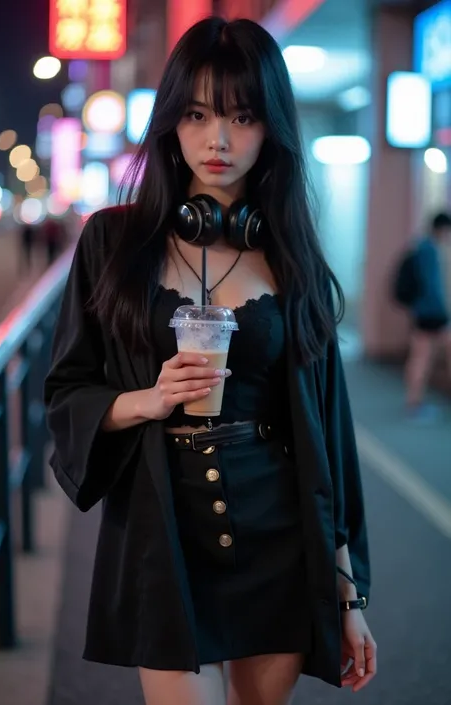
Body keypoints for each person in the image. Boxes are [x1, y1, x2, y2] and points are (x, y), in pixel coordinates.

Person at [44, 17, 376, 705]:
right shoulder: (114, 243)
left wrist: (348, 595)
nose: (217, 140)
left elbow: (329, 437)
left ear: (272, 127)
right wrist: (147, 398)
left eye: (242, 116)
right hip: (163, 534)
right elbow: (66, 388)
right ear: (171, 120)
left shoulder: (293, 259)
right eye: (196, 114)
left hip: (277, 538)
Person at [404, 211, 451, 421]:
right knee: (422, 358)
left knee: (419, 356)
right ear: (442, 229)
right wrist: (443, 313)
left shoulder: (420, 246)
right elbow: (432, 286)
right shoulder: (430, 251)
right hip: (433, 314)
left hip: (421, 312)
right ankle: (415, 402)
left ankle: (414, 401)